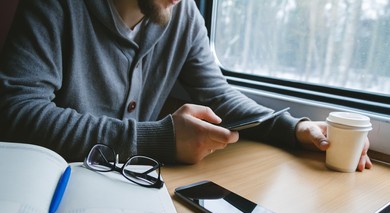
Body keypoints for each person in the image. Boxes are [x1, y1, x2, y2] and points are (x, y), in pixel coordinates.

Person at [0, 0, 371, 171]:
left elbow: (218, 95)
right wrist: (159, 139)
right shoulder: (53, 6)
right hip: (53, 181)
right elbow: (17, 112)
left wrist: (296, 128)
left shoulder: (184, 15)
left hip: (132, 180)